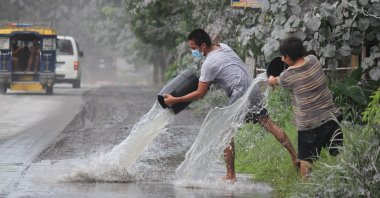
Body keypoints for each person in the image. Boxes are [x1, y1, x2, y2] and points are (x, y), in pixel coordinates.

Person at [164, 29, 298, 182]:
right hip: (251, 88)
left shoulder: (208, 64)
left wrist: (175, 99)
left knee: (225, 132)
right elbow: (228, 69)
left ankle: (230, 175)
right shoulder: (224, 47)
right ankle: (295, 157)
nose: (193, 51)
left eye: (194, 48)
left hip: (239, 92)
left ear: (202, 45)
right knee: (269, 124)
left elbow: (200, 93)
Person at [268, 37, 343, 180]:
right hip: (331, 117)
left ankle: (306, 189)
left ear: (288, 57)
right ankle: (348, 182)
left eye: (284, 57)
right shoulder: (314, 60)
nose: (282, 60)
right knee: (339, 154)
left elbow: (273, 81)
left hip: (310, 126)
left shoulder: (287, 76)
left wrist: (270, 79)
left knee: (306, 161)